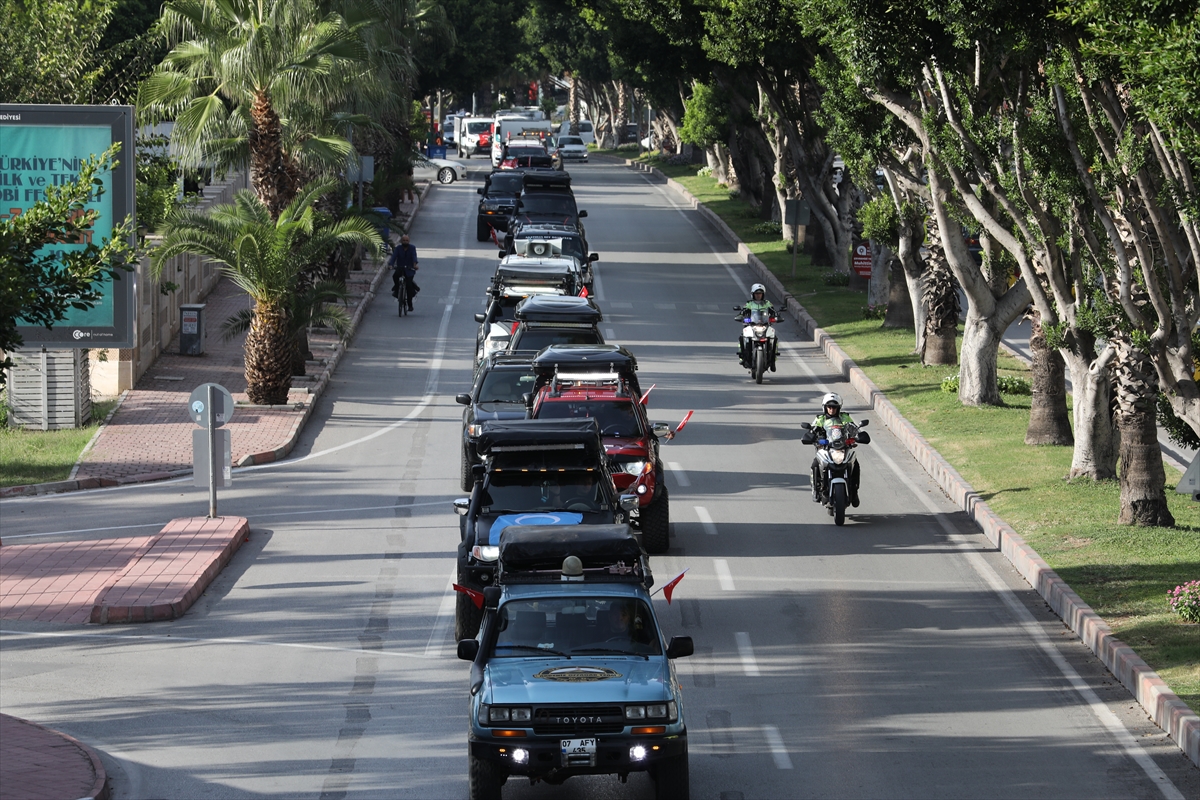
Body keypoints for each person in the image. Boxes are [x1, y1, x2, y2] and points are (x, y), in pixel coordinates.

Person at [809, 392, 860, 506]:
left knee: (855, 464)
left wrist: (857, 435)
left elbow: (853, 428)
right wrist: (811, 435)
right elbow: (812, 430)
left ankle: (854, 491)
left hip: (842, 448)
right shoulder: (820, 419)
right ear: (825, 407)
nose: (832, 409)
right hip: (826, 449)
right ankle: (817, 490)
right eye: (829, 407)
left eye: (834, 407)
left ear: (839, 408)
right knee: (815, 464)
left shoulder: (844, 417)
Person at [738, 283, 776, 369]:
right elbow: (743, 311)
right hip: (752, 325)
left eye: (760, 294)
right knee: (742, 336)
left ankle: (773, 360)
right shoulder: (749, 304)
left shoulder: (767, 303)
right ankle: (742, 357)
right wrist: (741, 316)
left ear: (763, 294)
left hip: (764, 325)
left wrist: (776, 317)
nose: (758, 296)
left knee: (774, 337)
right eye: (756, 294)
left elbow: (773, 311)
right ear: (753, 294)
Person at [389, 234, 419, 310]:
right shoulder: (398, 248)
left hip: (409, 269)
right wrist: (391, 265)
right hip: (400, 268)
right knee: (395, 276)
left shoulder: (412, 248)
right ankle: (396, 290)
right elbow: (394, 257)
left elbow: (414, 257)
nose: (405, 242)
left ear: (409, 241)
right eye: (404, 240)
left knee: (409, 286)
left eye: (407, 240)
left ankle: (410, 305)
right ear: (401, 241)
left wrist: (414, 265)